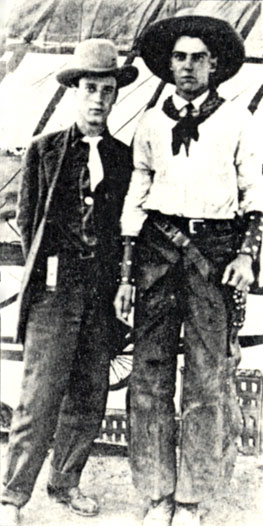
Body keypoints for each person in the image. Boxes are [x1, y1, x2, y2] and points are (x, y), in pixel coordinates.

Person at [114, 13, 263, 526]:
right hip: (159, 253)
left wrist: (246, 255)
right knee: (150, 374)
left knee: (206, 380)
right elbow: (138, 195)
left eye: (197, 58)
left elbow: (254, 197)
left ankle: (191, 498)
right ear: (169, 64)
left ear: (215, 65)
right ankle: (157, 493)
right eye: (178, 58)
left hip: (214, 255)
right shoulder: (153, 123)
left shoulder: (238, 121)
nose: (186, 66)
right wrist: (126, 272)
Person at [0, 38, 137, 526]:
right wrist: (51, 269)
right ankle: (13, 497)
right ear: (76, 92)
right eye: (89, 89)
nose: (98, 98)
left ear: (115, 95)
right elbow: (27, 217)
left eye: (106, 89)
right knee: (39, 395)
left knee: (89, 392)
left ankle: (66, 483)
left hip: (101, 291)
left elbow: (129, 223)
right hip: (56, 291)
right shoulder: (44, 151)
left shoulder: (125, 157)